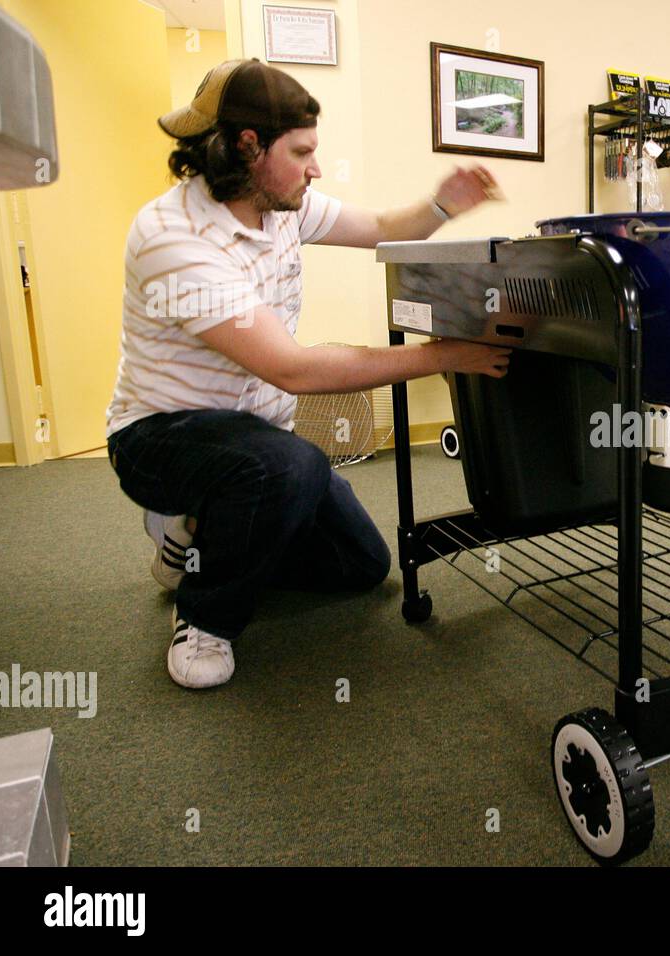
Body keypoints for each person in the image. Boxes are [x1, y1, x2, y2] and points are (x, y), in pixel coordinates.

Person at [104, 59, 511, 690]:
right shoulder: (174, 238)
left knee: (363, 565)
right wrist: (444, 356)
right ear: (247, 148)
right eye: (302, 153)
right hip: (161, 437)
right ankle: (206, 614)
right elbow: (293, 370)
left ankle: (196, 540)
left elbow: (379, 229)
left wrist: (442, 204)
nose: (316, 168)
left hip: (255, 436)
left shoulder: (283, 202)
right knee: (292, 468)